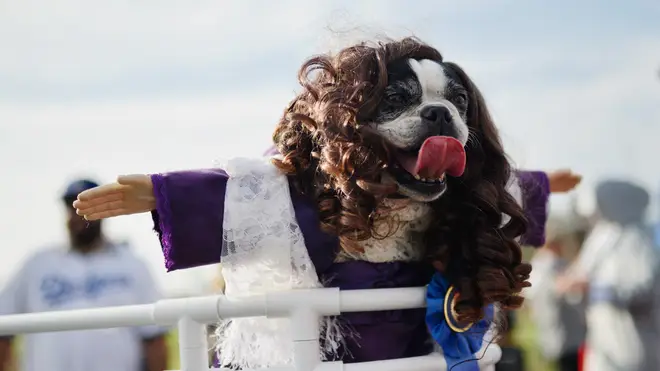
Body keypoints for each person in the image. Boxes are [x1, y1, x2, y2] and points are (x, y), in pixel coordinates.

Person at [73, 38, 581, 370]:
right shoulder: (302, 188)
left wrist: (535, 186)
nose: (439, 117)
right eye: (400, 101)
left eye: (454, 105)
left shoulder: (455, 194)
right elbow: (241, 190)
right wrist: (159, 192)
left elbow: (495, 186)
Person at [0, 179, 169, 371]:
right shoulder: (37, 265)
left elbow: (154, 338)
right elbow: (3, 326)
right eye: (73, 207)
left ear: (104, 212)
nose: (79, 215)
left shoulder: (132, 265)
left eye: (88, 207)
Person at [557, 180, 660, 371]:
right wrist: (571, 285)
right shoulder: (600, 237)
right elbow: (580, 278)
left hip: (632, 347)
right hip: (602, 346)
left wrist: (594, 288)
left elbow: (641, 292)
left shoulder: (636, 238)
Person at [527, 220, 586, 371]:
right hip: (566, 336)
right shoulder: (554, 265)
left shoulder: (535, 268)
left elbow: (529, 296)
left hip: (550, 334)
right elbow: (572, 295)